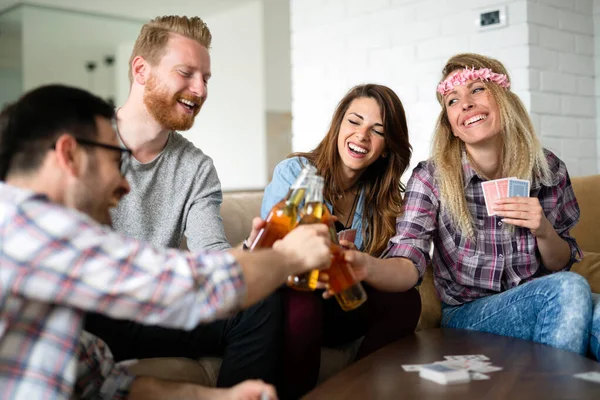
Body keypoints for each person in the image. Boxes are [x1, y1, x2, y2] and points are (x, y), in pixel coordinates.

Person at [0, 84, 332, 399]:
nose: (125, 183)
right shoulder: (29, 228)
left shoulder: (34, 247)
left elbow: (105, 384)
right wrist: (288, 257)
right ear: (69, 155)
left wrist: (220, 396)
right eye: (116, 160)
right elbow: (192, 287)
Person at [83, 15, 286, 389]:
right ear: (141, 70)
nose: (200, 89)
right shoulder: (86, 143)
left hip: (155, 310)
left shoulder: (196, 168)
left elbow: (212, 255)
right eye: (186, 73)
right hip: (91, 307)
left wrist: (256, 251)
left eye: (205, 78)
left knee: (260, 302)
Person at [355, 53, 600, 360]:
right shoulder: (431, 177)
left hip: (542, 297)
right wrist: (366, 266)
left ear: (503, 100)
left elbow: (559, 262)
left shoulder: (547, 168)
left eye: (477, 89)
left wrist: (544, 231)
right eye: (453, 101)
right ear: (452, 127)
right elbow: (409, 257)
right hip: (468, 315)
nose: (466, 104)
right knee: (569, 288)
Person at [261, 84, 422, 398]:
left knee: (406, 301)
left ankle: (355, 391)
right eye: (354, 121)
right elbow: (274, 247)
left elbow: (389, 267)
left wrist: (357, 263)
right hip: (294, 299)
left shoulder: (383, 200)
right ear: (338, 126)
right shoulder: (295, 172)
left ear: (387, 147)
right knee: (303, 295)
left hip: (339, 304)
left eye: (376, 130)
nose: (361, 135)